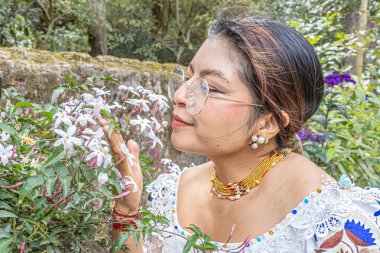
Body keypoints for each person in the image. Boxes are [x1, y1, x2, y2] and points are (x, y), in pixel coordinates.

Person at [99, 5, 380, 253]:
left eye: (212, 88)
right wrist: (128, 211)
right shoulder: (173, 191)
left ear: (268, 122)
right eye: (188, 77)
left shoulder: (332, 221)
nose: (180, 95)